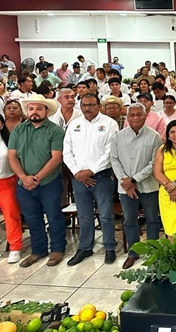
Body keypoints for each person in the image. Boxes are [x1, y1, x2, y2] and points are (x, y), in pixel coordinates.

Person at [7, 95, 66, 267]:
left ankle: (57, 249)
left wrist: (37, 177)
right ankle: (38, 250)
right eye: (31, 109)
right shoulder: (18, 130)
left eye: (39, 108)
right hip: (24, 184)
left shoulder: (55, 130)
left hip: (49, 182)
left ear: (46, 111)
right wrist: (23, 177)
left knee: (54, 216)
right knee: (32, 218)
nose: (34, 112)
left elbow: (56, 158)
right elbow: (12, 156)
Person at [63, 93, 119, 266]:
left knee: (106, 215)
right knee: (84, 215)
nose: (87, 108)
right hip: (79, 178)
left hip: (101, 176)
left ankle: (109, 247)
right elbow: (67, 151)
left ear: (99, 106)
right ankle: (85, 247)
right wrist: (78, 172)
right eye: (84, 105)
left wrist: (91, 171)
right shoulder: (74, 124)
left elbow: (110, 152)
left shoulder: (109, 124)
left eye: (91, 105)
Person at [111, 103, 163, 269]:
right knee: (129, 220)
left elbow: (154, 162)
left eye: (138, 114)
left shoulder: (154, 136)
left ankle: (153, 252)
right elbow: (114, 159)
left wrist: (133, 180)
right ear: (127, 117)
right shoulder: (119, 136)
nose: (135, 118)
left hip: (148, 185)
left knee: (152, 219)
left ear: (145, 115)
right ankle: (133, 252)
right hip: (125, 187)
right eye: (131, 115)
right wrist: (125, 181)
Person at [0, 114, 22, 263]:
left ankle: (15, 247)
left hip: (6, 182)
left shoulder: (8, 141)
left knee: (11, 215)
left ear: (2, 124)